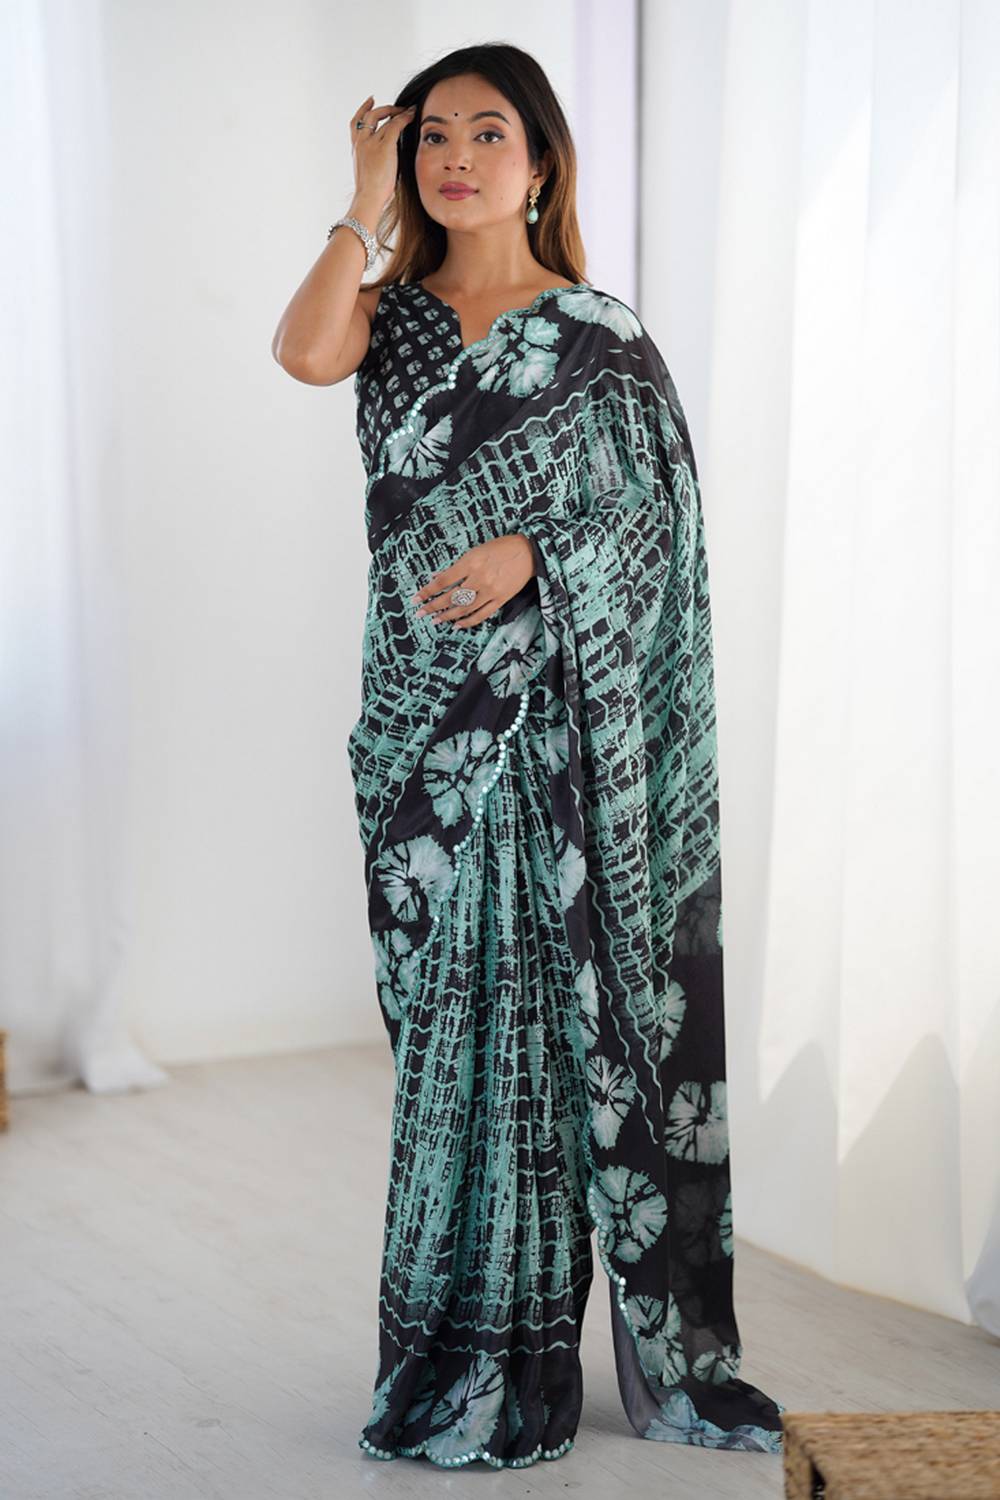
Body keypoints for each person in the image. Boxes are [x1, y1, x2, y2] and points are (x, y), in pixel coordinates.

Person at [272, 41, 786, 1472]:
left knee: (549, 1048)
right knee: (447, 1046)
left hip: (553, 739)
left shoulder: (597, 338)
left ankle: (527, 1357)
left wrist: (534, 554)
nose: (456, 157)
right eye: (431, 136)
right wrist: (361, 200)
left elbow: (653, 529)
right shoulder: (390, 317)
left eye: (487, 133)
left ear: (543, 161)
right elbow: (302, 354)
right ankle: (452, 1342)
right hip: (418, 727)